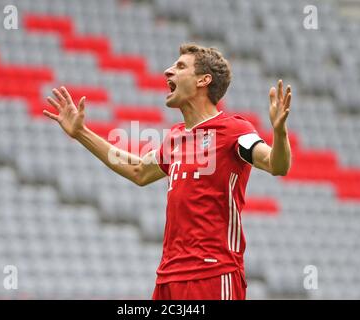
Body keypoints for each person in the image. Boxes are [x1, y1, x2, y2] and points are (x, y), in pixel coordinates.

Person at [43, 43, 292, 300]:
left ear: (203, 80)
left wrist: (279, 131)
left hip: (212, 274)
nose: (167, 71)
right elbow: (139, 170)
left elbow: (277, 164)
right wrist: (81, 133)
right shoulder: (175, 137)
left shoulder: (234, 130)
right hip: (168, 278)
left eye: (180, 66)